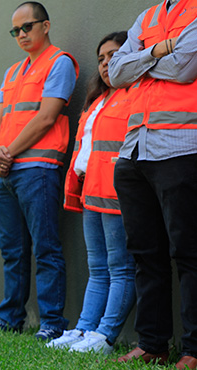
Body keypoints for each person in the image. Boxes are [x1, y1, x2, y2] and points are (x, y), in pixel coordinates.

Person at [0, 1, 78, 341]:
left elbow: (47, 117)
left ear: (45, 26)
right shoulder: (11, 72)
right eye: (15, 30)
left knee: (46, 247)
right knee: (13, 249)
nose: (21, 34)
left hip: (38, 168)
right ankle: (10, 317)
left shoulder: (60, 63)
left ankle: (52, 322)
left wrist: (6, 152)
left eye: (27, 27)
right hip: (7, 169)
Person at [108, 1, 197, 368]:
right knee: (146, 255)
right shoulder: (146, 17)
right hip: (134, 150)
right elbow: (115, 72)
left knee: (190, 253)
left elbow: (185, 67)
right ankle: (153, 344)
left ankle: (193, 350)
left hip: (181, 146)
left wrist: (139, 62)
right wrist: (161, 49)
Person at [45, 31, 135, 355]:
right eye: (101, 59)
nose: (107, 63)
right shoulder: (98, 100)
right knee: (97, 267)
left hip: (118, 194)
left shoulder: (134, 94)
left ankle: (106, 336)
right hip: (92, 192)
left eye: (114, 55)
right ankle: (85, 329)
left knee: (120, 267)